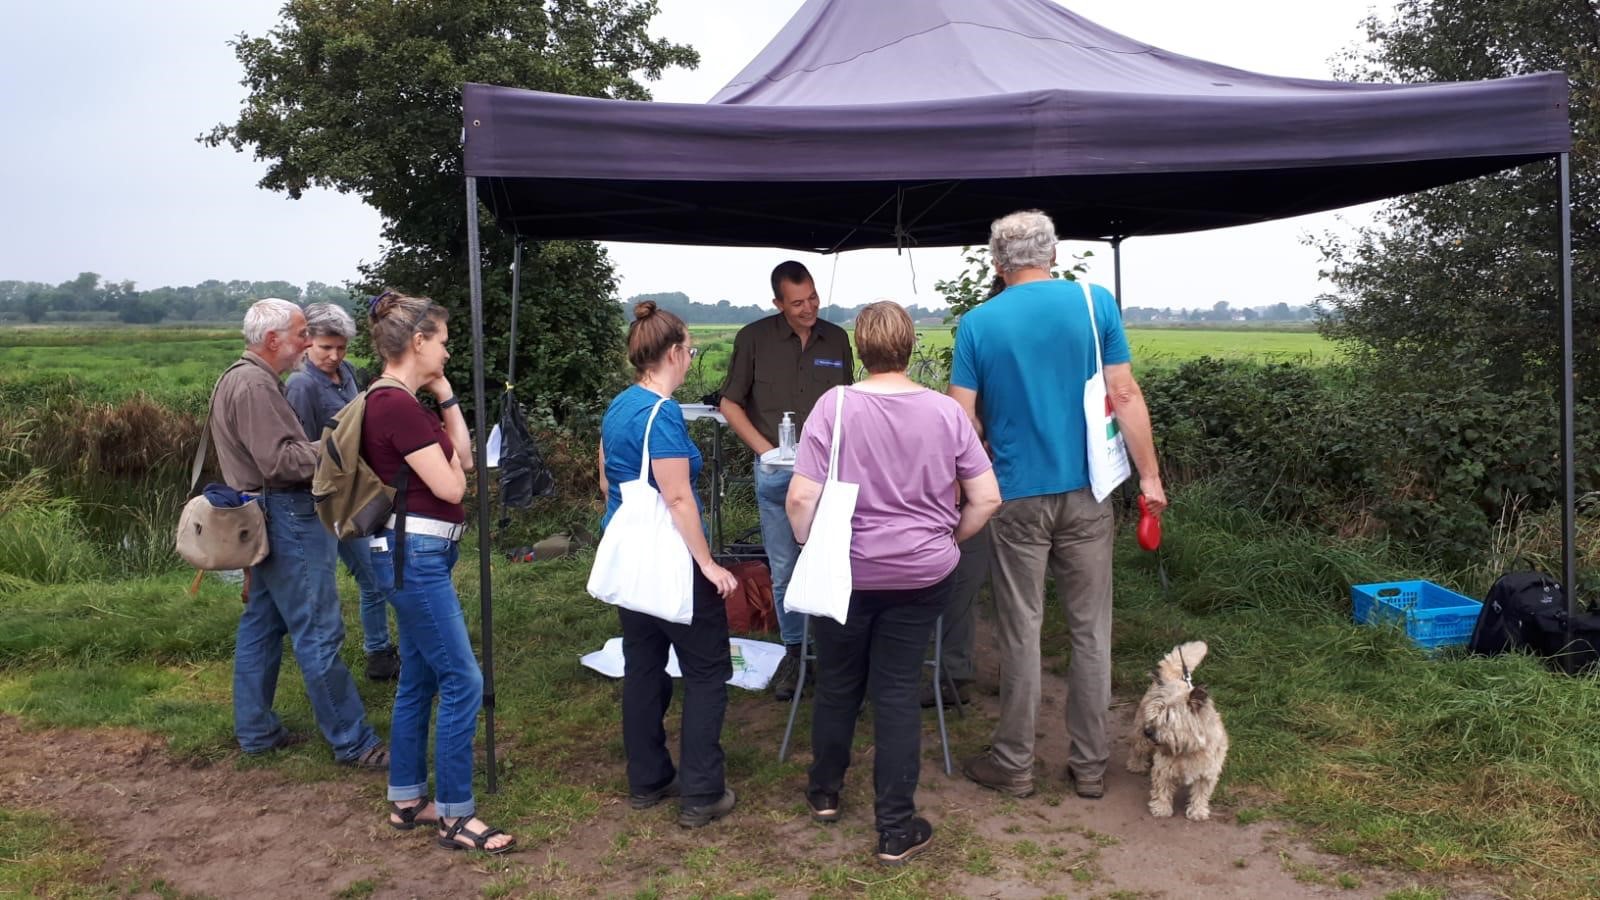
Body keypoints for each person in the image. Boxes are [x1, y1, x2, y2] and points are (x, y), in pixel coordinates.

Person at [950, 210, 1167, 801]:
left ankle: (1015, 764)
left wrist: (972, 483)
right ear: (1053, 254)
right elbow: (1123, 393)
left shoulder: (977, 323)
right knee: (1091, 630)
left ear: (998, 263)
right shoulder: (1095, 304)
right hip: (1090, 491)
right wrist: (1148, 477)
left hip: (1016, 493)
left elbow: (960, 418)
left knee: (1021, 631)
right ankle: (1091, 766)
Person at [786, 301, 1001, 866]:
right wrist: (949, 540)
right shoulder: (946, 413)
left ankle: (825, 791)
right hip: (921, 574)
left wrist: (811, 544)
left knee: (837, 682)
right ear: (910, 347)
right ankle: (896, 827)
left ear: (860, 348)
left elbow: (802, 497)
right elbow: (987, 497)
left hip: (849, 571)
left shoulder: (833, 405)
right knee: (898, 692)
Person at [360, 290, 513, 854]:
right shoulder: (394, 405)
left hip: (416, 552)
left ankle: (406, 799)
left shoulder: (405, 401)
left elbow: (466, 460)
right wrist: (448, 456)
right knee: (462, 680)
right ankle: (455, 815)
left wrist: (446, 396)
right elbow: (453, 485)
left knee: (421, 677)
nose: (448, 352)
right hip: (414, 555)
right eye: (443, 343)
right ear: (418, 342)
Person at [208, 298, 386, 768]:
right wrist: (337, 444)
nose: (308, 343)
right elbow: (280, 462)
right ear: (272, 340)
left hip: (262, 516)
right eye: (301, 334)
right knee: (319, 630)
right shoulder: (254, 387)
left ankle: (256, 731)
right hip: (286, 515)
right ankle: (354, 742)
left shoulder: (241, 378)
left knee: (263, 625)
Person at [600, 301, 741, 829]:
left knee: (643, 666)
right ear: (676, 353)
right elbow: (679, 499)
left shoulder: (619, 406)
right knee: (707, 672)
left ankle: (648, 778)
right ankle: (702, 792)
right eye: (691, 351)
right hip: (673, 563)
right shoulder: (664, 417)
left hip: (631, 561)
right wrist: (707, 564)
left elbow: (607, 479)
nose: (691, 359)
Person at [720, 261, 855, 701]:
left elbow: (848, 403)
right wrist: (765, 451)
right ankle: (796, 653)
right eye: (797, 303)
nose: (808, 308)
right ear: (777, 303)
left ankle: (835, 653)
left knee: (834, 561)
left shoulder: (836, 338)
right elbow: (730, 404)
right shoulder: (753, 339)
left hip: (828, 475)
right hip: (776, 475)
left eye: (813, 298)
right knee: (784, 569)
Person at [284, 302, 399, 682]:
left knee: (375, 575)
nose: (334, 356)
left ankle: (379, 652)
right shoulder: (300, 385)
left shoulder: (347, 373)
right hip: (321, 502)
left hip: (353, 493)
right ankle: (341, 665)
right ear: (306, 345)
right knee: (331, 590)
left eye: (341, 348)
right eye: (325, 348)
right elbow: (301, 451)